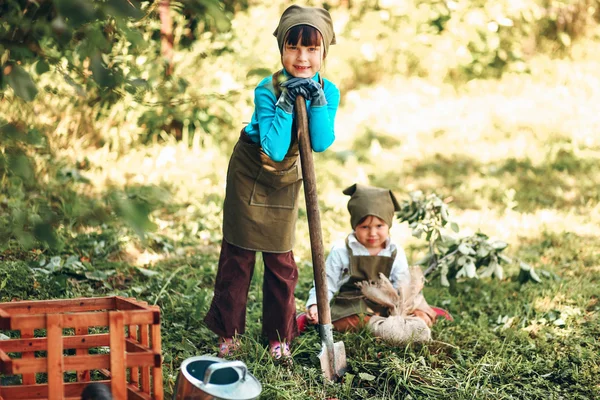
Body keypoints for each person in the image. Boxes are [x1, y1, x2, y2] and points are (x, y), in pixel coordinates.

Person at [204, 4, 340, 360]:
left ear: (324, 51)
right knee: (239, 255)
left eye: (312, 49)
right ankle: (228, 334)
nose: (302, 57)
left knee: (281, 261)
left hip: (286, 180)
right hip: (251, 172)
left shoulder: (330, 90)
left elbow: (322, 142)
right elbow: (275, 148)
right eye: (294, 47)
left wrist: (318, 101)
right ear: (281, 49)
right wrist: (285, 101)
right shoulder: (267, 89)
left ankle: (279, 337)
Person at [302, 184, 438, 337]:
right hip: (355, 303)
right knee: (352, 321)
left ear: (389, 225)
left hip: (388, 301)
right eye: (365, 227)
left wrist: (404, 308)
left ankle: (390, 324)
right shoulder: (342, 250)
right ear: (355, 226)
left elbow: (402, 284)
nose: (372, 233)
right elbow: (326, 282)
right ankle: (385, 326)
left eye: (379, 226)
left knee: (422, 316)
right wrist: (316, 305)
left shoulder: (394, 250)